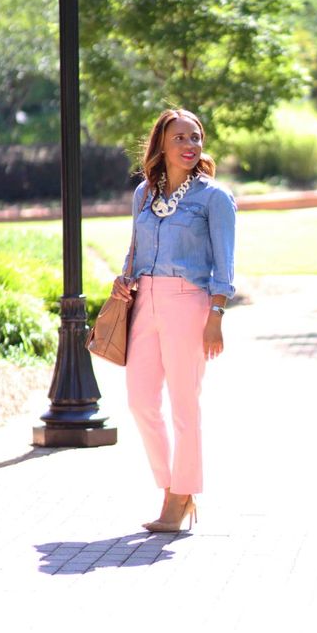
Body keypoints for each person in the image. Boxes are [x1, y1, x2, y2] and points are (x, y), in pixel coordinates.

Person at [111, 108, 236, 532]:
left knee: (185, 404)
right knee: (140, 401)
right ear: (162, 143)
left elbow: (225, 264)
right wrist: (124, 279)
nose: (190, 145)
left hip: (190, 302)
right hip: (144, 299)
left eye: (196, 137)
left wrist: (215, 315)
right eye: (181, 137)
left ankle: (181, 496)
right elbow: (136, 247)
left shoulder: (214, 198)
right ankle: (171, 486)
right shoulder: (144, 194)